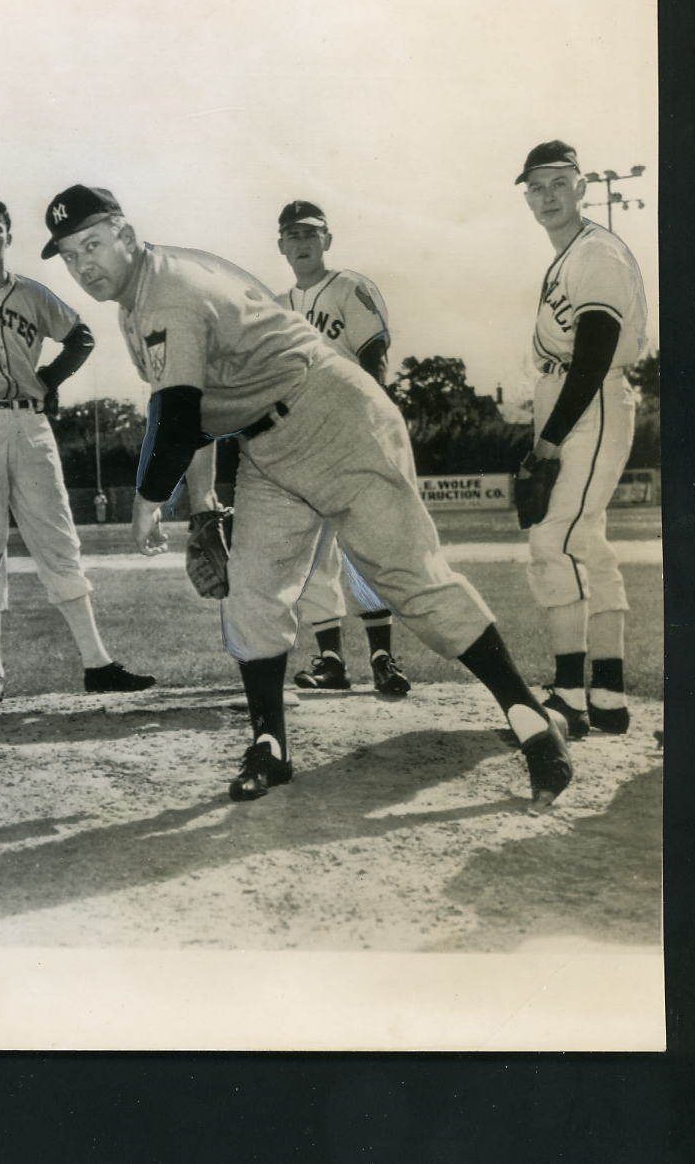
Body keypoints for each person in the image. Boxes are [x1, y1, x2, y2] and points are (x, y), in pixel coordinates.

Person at [40, 184, 573, 808]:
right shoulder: (138, 299)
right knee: (254, 592)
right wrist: (205, 504)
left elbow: (177, 419)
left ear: (125, 235)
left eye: (94, 244)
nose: (85, 266)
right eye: (72, 256)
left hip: (336, 417)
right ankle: (271, 743)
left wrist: (146, 501)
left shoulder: (169, 291)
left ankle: (529, 718)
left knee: (410, 581)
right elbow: (196, 406)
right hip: (269, 446)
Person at [0, 198, 156, 704]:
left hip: (30, 424)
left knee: (58, 539)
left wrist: (49, 379)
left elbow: (80, 336)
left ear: (8, 238)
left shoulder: (32, 294)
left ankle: (97, 662)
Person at [514, 141, 648, 736]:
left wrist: (549, 440)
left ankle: (569, 696)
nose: (546, 196)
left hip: (588, 399)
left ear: (581, 186)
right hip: (576, 397)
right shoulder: (569, 254)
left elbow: (592, 354)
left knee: (554, 538)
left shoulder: (595, 251)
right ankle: (610, 697)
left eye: (557, 183)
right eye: (535, 187)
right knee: (587, 541)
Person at [274, 200, 411, 697]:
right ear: (281, 246)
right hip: (301, 443)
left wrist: (370, 424)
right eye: (293, 234)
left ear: (327, 240)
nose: (302, 242)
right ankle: (330, 658)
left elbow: (375, 356)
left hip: (352, 430)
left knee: (362, 549)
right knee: (313, 557)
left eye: (311, 233)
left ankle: (382, 657)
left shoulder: (351, 286)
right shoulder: (275, 305)